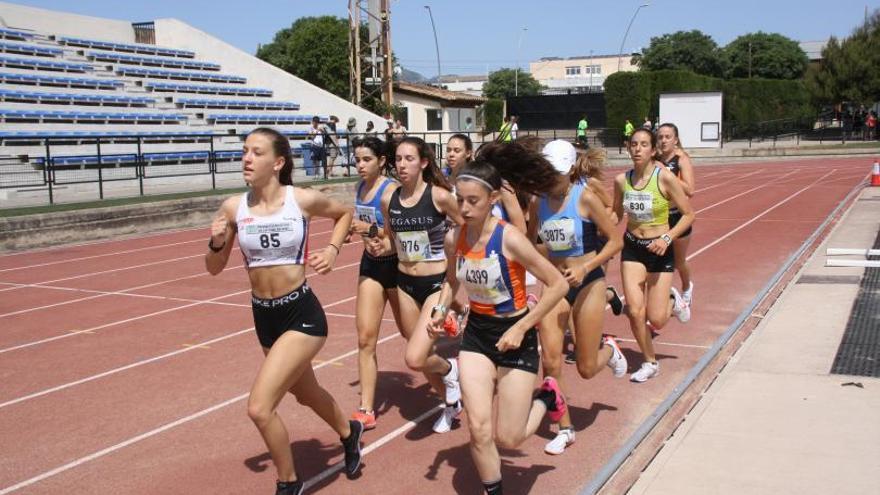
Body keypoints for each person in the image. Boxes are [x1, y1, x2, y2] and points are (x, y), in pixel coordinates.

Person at [205, 128, 362, 495]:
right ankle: (347, 431)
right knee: (306, 394)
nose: (246, 158)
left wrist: (334, 250)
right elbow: (214, 267)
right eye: (244, 151)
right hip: (265, 317)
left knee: (260, 408)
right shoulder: (233, 208)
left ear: (277, 163)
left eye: (256, 153)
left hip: (302, 315)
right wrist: (215, 243)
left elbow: (343, 214)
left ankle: (289, 482)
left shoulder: (301, 200)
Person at [428, 141, 570, 495]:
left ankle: (548, 398)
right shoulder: (453, 238)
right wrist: (440, 310)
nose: (464, 208)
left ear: (492, 199)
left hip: (515, 334)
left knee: (509, 437)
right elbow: (450, 281)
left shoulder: (511, 239)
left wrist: (522, 327)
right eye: (460, 200)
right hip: (477, 334)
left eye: (473, 201)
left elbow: (557, 285)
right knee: (478, 428)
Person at [528, 140, 626, 454]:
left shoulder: (584, 197)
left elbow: (614, 242)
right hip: (556, 285)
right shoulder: (536, 202)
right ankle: (565, 427)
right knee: (551, 358)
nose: (549, 178)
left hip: (589, 281)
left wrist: (586, 266)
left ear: (570, 169)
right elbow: (533, 244)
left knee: (585, 367)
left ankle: (609, 352)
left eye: (555, 172)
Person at [370, 136, 466, 433]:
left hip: (436, 284)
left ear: (423, 162)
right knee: (422, 356)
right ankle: (450, 406)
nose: (402, 165)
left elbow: (467, 225)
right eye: (398, 159)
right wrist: (378, 245)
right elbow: (390, 240)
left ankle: (451, 370)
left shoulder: (439, 196)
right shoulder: (389, 200)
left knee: (414, 357)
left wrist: (455, 251)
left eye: (409, 159)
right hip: (405, 284)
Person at [613, 128, 694, 383]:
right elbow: (615, 215)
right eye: (634, 144)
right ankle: (650, 362)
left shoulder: (665, 178)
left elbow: (689, 214)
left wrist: (666, 238)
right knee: (636, 311)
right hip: (633, 248)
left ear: (652, 150)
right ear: (628, 148)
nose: (637, 149)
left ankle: (674, 302)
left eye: (644, 144)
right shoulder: (620, 180)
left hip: (660, 250)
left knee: (656, 319)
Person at [349, 137, 403, 430]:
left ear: (382, 160)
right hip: (371, 265)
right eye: (357, 159)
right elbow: (365, 229)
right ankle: (366, 408)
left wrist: (367, 228)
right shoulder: (359, 188)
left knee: (411, 333)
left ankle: (448, 374)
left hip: (395, 265)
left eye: (366, 159)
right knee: (365, 338)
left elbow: (395, 233)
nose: (359, 165)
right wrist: (355, 234)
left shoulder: (390, 190)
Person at [656, 123, 696, 307]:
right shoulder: (653, 158)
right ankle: (662, 298)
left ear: (676, 139)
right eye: (660, 137)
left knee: (679, 261)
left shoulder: (681, 160)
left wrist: (667, 174)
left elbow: (690, 190)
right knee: (660, 261)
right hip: (658, 217)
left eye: (667, 137)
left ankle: (687, 287)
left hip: (678, 216)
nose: (663, 140)